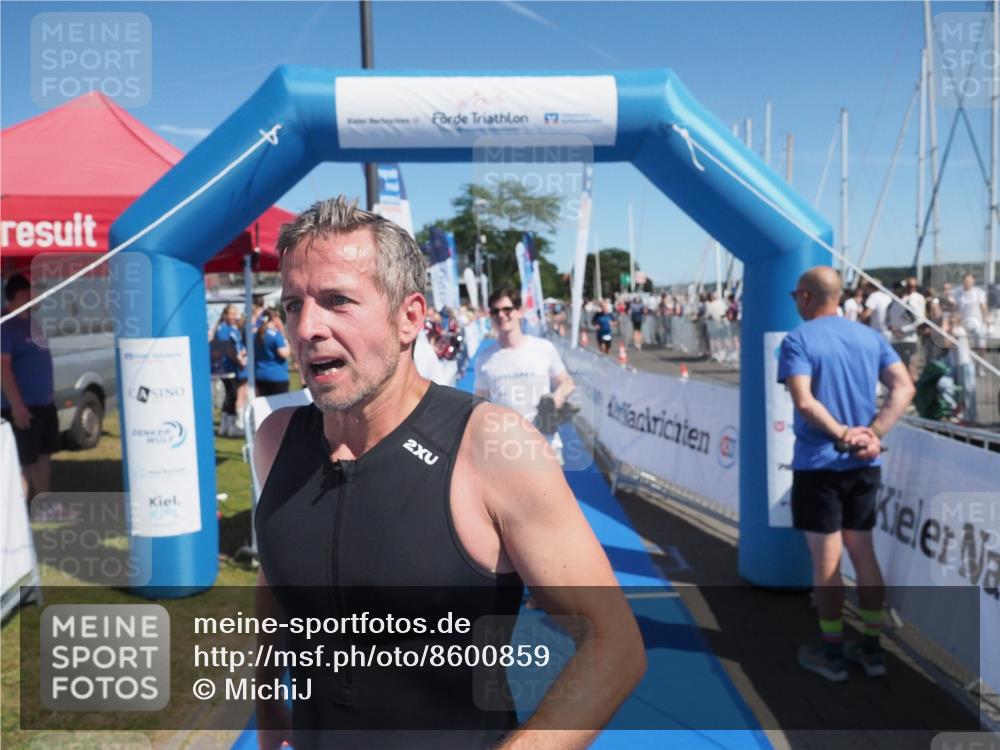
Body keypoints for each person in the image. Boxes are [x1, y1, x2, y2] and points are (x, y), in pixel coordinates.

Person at [252, 197, 645, 750]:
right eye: (293, 305)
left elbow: (615, 643)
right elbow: (276, 586)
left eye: (337, 300)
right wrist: (271, 726)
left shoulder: (491, 448)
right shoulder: (276, 440)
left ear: (410, 317)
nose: (307, 327)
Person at [779, 266, 914, 683]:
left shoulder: (797, 340)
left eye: (795, 296)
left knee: (827, 563)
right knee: (863, 553)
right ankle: (872, 649)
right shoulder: (870, 337)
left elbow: (804, 402)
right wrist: (871, 434)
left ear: (805, 297)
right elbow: (904, 387)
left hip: (821, 464)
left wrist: (843, 435)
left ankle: (833, 653)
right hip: (863, 464)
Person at [474, 287, 576, 464]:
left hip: (546, 446)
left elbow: (567, 383)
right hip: (505, 451)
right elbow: (479, 403)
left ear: (519, 312)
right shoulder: (485, 358)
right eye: (495, 311)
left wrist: (555, 399)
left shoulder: (543, 348)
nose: (501, 315)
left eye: (507, 309)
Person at [1, 273, 58, 501]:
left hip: (44, 403)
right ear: (21, 295)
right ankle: (25, 512)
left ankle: (45, 504)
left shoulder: (31, 321)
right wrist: (17, 406)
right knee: (27, 459)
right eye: (33, 292)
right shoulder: (5, 325)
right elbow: (3, 368)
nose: (39, 296)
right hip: (23, 407)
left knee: (43, 454)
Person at [214, 304, 248, 436]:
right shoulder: (223, 329)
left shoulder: (233, 328)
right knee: (231, 395)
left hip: (234, 366)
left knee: (231, 395)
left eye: (235, 314)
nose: (234, 317)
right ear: (225, 315)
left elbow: (237, 346)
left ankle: (225, 426)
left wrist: (242, 353)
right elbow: (228, 349)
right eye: (231, 314)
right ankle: (229, 426)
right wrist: (238, 361)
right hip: (228, 368)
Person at [887, 277, 926, 378]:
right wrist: (891, 328)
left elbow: (919, 321)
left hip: (909, 340)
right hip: (895, 340)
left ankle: (916, 392)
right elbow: (888, 320)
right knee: (898, 370)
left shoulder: (910, 303)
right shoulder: (892, 304)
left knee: (911, 368)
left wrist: (903, 330)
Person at [254, 309, 291, 396]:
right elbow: (284, 353)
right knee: (280, 407)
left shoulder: (255, 334)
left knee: (264, 407)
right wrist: (286, 340)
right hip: (277, 376)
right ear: (274, 319)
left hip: (260, 376)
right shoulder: (275, 335)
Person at [956, 272, 989, 362]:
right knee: (965, 348)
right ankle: (969, 366)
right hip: (963, 325)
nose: (968, 282)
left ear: (973, 281)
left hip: (978, 324)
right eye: (966, 281)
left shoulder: (979, 292)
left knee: (981, 346)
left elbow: (983, 307)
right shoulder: (958, 294)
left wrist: (986, 319)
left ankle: (982, 366)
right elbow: (957, 309)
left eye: (970, 281)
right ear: (963, 281)